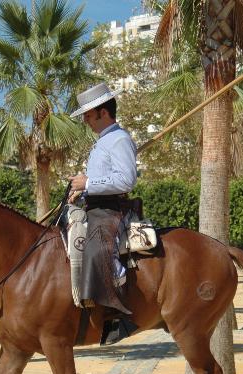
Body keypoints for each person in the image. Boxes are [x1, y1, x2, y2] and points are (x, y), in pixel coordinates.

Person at [68, 83, 138, 345]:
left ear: (102, 112)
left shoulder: (119, 139)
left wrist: (87, 184)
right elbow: (103, 178)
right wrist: (82, 192)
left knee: (97, 249)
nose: (85, 119)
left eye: (88, 114)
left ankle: (114, 312)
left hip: (111, 210)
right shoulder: (103, 142)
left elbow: (126, 180)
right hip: (94, 206)